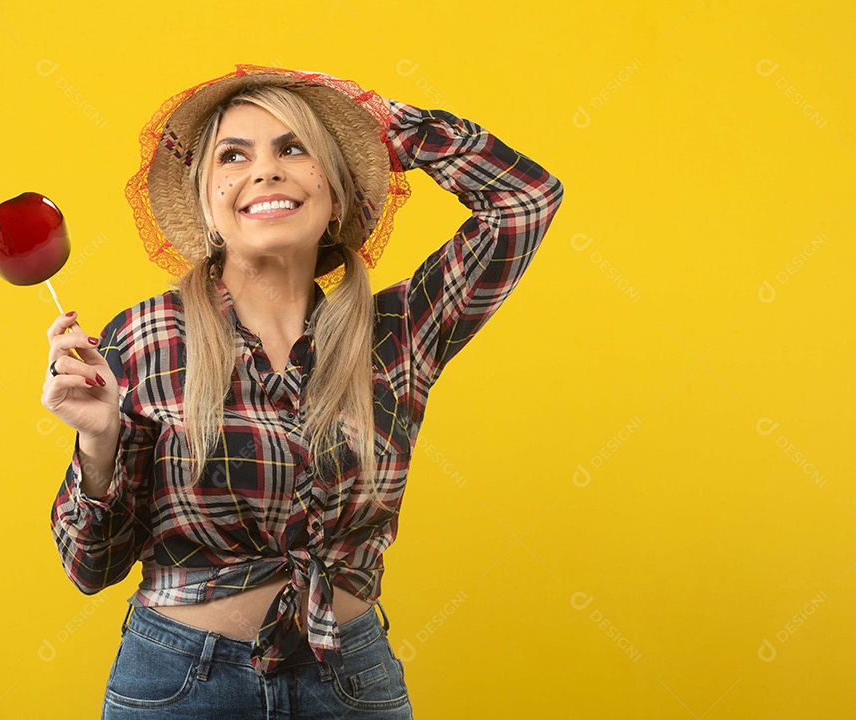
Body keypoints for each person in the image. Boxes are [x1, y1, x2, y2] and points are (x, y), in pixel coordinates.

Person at [42, 64, 564, 718]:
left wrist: (380, 123)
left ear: (337, 193)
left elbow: (525, 200)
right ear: (207, 205)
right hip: (179, 685)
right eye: (234, 156)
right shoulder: (145, 337)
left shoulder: (399, 333)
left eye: (295, 148)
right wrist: (98, 442)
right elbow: (91, 568)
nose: (266, 170)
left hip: (350, 682)